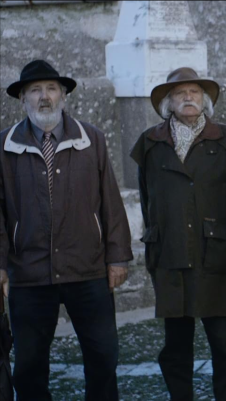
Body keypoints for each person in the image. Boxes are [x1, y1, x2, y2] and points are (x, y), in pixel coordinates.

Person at [0, 59, 133, 401]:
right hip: (29, 272)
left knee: (103, 356)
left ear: (63, 95)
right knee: (29, 365)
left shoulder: (92, 139)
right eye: (35, 90)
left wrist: (117, 256)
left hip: (87, 267)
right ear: (23, 99)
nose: (44, 97)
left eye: (51, 89)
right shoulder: (4, 146)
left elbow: (110, 200)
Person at [131, 66, 226, 401]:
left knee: (225, 346)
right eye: (180, 93)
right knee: (176, 346)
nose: (188, 97)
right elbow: (147, 199)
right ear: (168, 103)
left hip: (218, 256)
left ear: (204, 100)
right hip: (170, 255)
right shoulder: (150, 142)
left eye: (194, 92)